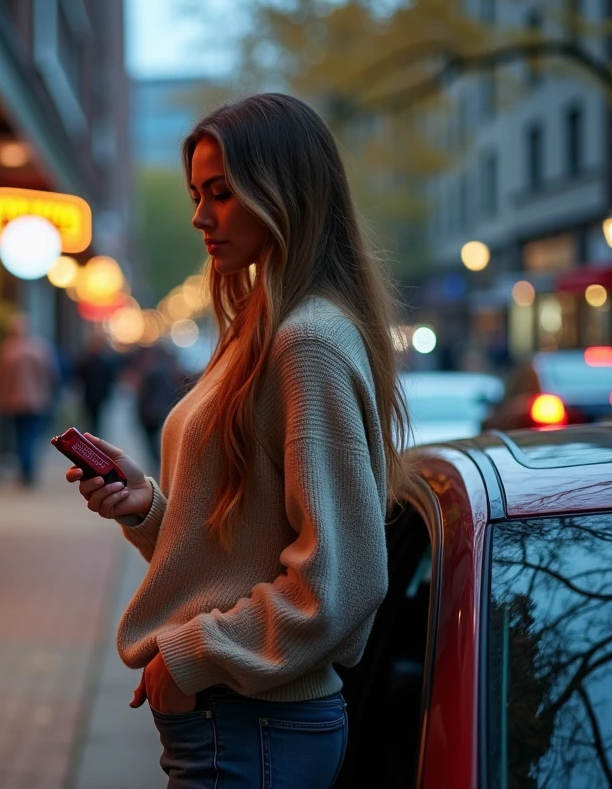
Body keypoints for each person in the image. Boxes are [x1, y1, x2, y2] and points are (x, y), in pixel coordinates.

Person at [64, 94, 410, 788]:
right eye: (197, 193)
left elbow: (340, 581)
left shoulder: (305, 341)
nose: (199, 216)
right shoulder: (264, 328)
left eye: (220, 193)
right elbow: (244, 544)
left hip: (253, 727)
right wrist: (150, 510)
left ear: (285, 190)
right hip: (240, 726)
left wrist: (190, 656)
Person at [0, 312, 60, 487]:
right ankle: (28, 471)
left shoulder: (6, 350)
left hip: (13, 403)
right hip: (37, 402)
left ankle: (25, 471)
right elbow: (52, 374)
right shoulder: (39, 348)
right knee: (31, 437)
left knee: (21, 437)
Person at [135, 345, 188, 463]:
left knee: (152, 440)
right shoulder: (173, 371)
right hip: (166, 410)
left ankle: (157, 460)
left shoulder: (151, 371)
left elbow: (144, 394)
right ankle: (160, 460)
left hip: (151, 412)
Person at [75, 331, 118, 435]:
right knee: (93, 418)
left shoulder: (90, 360)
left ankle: (93, 436)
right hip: (94, 395)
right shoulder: (94, 361)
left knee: (94, 418)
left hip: (94, 395)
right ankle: (93, 435)